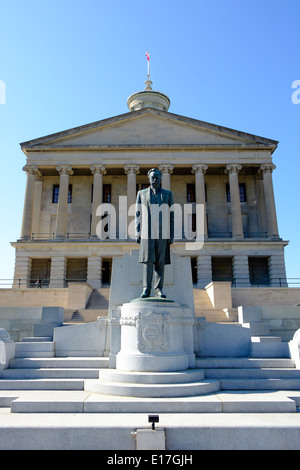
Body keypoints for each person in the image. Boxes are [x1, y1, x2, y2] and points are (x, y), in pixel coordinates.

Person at [135, 168, 174, 298]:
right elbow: (138, 214)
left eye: (157, 178)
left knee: (160, 262)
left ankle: (158, 290)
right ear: (149, 179)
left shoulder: (167, 194)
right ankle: (146, 289)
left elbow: (171, 215)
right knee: (148, 261)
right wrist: (137, 232)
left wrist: (171, 234)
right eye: (153, 178)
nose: (155, 180)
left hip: (163, 232)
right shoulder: (141, 193)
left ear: (160, 179)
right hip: (147, 232)